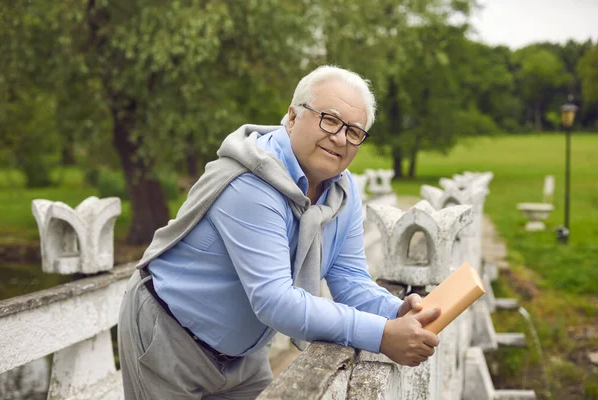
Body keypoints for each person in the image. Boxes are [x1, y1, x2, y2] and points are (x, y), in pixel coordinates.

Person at [118, 65, 441, 400]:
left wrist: (395, 311)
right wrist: (382, 335)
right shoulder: (250, 182)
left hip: (244, 352)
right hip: (171, 336)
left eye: (354, 132)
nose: (340, 138)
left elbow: (350, 279)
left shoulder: (342, 192)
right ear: (292, 116)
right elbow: (275, 300)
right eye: (329, 119)